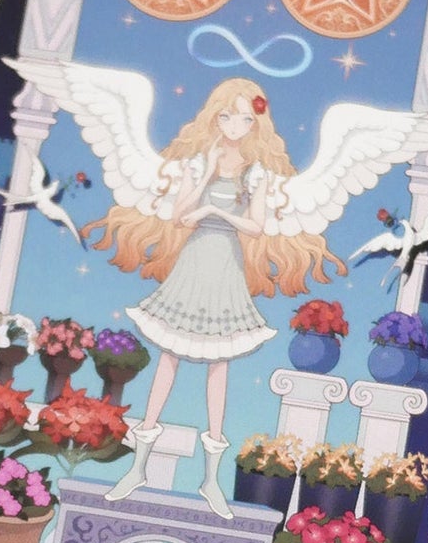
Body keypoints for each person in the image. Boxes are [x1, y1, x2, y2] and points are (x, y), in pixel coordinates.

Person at [87, 80, 337, 518]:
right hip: (194, 259)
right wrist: (203, 181)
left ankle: (210, 480)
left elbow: (257, 226)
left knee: (219, 365)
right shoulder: (199, 161)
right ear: (214, 117)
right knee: (169, 355)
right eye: (227, 116)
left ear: (255, 123)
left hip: (226, 264)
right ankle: (138, 467)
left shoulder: (256, 172)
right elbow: (180, 216)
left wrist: (216, 212)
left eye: (244, 118)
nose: (235, 125)